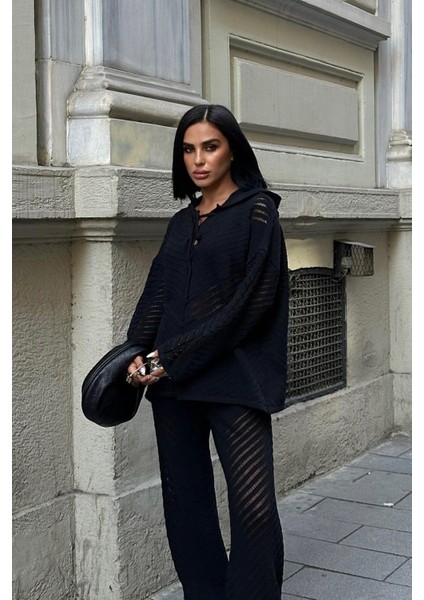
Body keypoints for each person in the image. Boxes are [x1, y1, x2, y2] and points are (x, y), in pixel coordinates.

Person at [126, 104, 289, 600]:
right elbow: (158, 293)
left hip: (234, 378)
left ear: (232, 150)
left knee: (254, 506)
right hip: (174, 386)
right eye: (189, 149)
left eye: (210, 147)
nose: (199, 160)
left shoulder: (258, 212)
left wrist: (170, 356)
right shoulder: (182, 222)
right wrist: (135, 350)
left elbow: (251, 304)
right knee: (187, 504)